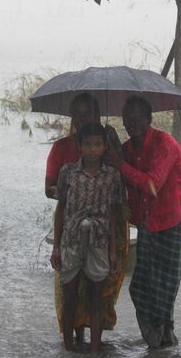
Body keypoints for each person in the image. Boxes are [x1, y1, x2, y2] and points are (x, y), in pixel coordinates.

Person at [105, 96, 181, 349]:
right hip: (146, 222)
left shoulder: (166, 144)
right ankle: (158, 340)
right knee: (140, 286)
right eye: (128, 120)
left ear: (149, 119)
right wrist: (112, 144)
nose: (133, 124)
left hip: (171, 219)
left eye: (138, 118)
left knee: (165, 288)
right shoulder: (129, 150)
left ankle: (164, 340)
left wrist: (119, 163)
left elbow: (152, 185)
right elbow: (121, 175)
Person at [44, 93, 128, 346]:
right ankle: (72, 340)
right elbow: (51, 191)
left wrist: (114, 147)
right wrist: (72, 194)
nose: (82, 119)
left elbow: (121, 190)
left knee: (99, 289)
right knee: (70, 290)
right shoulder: (63, 154)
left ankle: (94, 343)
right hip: (71, 226)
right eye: (78, 114)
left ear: (98, 116)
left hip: (105, 230)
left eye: (89, 113)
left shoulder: (110, 148)